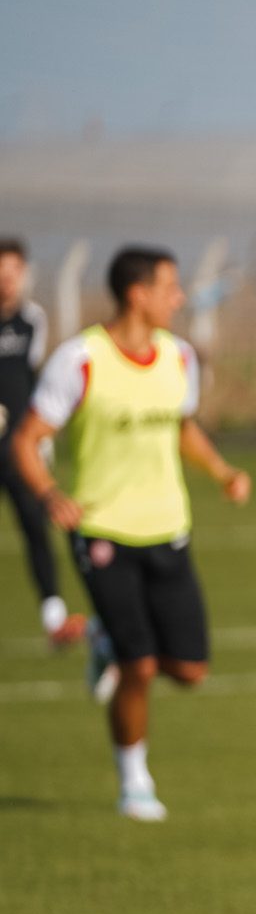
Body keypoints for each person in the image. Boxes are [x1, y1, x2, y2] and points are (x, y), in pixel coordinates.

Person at [9, 245, 252, 821]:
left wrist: (222, 471)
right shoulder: (81, 359)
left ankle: (102, 639)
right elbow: (26, 438)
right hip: (102, 531)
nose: (180, 298)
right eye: (170, 287)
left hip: (167, 528)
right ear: (138, 294)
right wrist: (49, 493)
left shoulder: (179, 357)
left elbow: (183, 427)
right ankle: (134, 780)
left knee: (189, 670)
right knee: (139, 666)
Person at [0, 238, 84, 645]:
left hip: (19, 450)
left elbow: (33, 381)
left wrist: (39, 440)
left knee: (37, 528)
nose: (6, 279)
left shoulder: (33, 320)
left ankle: (54, 618)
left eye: (13, 270)